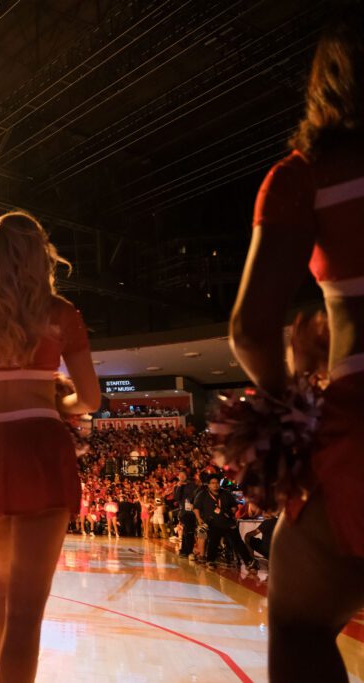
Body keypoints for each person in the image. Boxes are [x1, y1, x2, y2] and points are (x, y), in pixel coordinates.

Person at [230, 8, 364, 680]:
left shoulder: (306, 175)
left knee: (298, 619)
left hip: (359, 436)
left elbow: (251, 328)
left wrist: (293, 412)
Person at [0, 211, 100, 682]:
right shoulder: (60, 314)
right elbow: (88, 398)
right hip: (41, 445)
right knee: (28, 612)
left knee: (1, 592)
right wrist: (57, 395)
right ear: (40, 255)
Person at [192, 474, 257, 572]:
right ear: (208, 485)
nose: (215, 485)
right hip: (213, 523)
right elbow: (195, 508)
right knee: (213, 542)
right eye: (213, 483)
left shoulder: (226, 493)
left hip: (228, 523)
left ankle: (248, 562)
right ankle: (210, 561)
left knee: (238, 543)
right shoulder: (202, 494)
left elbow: (235, 506)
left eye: (217, 483)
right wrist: (199, 519)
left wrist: (232, 511)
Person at [172, 471, 199, 559]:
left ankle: (185, 550)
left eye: (184, 475)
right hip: (183, 512)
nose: (182, 477)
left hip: (192, 511)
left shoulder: (192, 485)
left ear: (187, 476)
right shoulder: (177, 486)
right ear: (178, 477)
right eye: (180, 475)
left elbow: (195, 495)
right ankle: (188, 551)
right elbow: (176, 498)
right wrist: (179, 486)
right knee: (187, 531)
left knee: (188, 532)